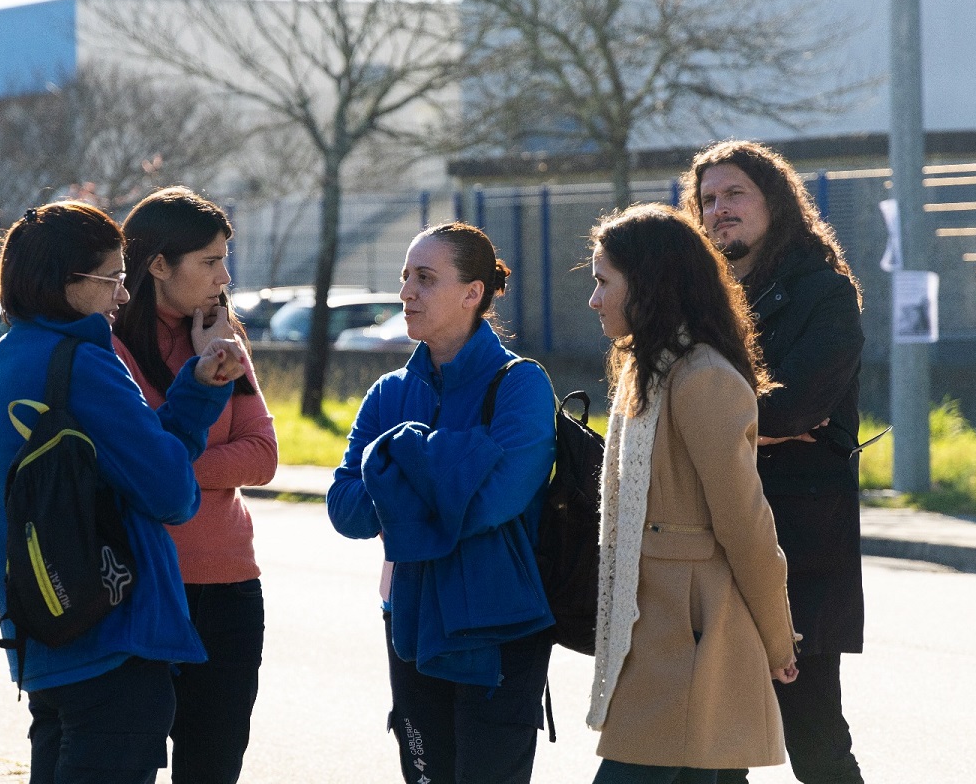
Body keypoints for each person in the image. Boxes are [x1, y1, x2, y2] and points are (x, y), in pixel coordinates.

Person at [0, 200, 246, 784]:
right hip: (112, 641)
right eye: (113, 279)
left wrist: (193, 386)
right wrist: (199, 398)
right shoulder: (83, 364)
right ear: (66, 282)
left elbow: (134, 462)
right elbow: (172, 492)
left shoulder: (15, 353)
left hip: (47, 635)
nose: (122, 298)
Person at [327, 222, 556, 784]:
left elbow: (496, 502)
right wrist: (451, 469)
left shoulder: (521, 385)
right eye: (405, 276)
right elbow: (344, 507)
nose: (406, 292)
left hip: (500, 627)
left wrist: (397, 475)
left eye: (425, 279)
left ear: (472, 293)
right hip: (408, 620)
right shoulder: (388, 392)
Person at [585, 204, 800, 784]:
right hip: (657, 633)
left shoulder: (700, 377)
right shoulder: (647, 369)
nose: (594, 299)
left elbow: (747, 524)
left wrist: (779, 641)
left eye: (604, 282)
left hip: (693, 637)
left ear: (650, 285)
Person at [681, 140, 866, 784]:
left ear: (775, 200)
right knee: (719, 743)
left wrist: (715, 422)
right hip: (716, 539)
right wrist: (747, 425)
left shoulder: (825, 290)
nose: (719, 209)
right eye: (707, 200)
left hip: (802, 547)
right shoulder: (700, 299)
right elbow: (679, 401)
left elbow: (797, 407)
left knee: (814, 739)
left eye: (735, 195)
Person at [112, 186, 278, 784]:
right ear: (158, 264)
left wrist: (174, 466)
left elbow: (262, 456)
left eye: (224, 259)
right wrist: (184, 458)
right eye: (209, 261)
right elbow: (134, 467)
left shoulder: (222, 336)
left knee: (214, 768)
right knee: (129, 763)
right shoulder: (113, 348)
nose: (223, 275)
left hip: (232, 586)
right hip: (147, 587)